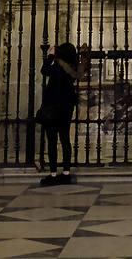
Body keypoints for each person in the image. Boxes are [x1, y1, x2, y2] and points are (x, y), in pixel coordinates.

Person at [38, 42, 79, 185]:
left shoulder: (57, 67)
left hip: (53, 109)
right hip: (66, 109)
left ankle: (54, 174)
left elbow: (44, 70)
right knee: (65, 139)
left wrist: (50, 56)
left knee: (52, 141)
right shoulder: (71, 68)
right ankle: (66, 172)